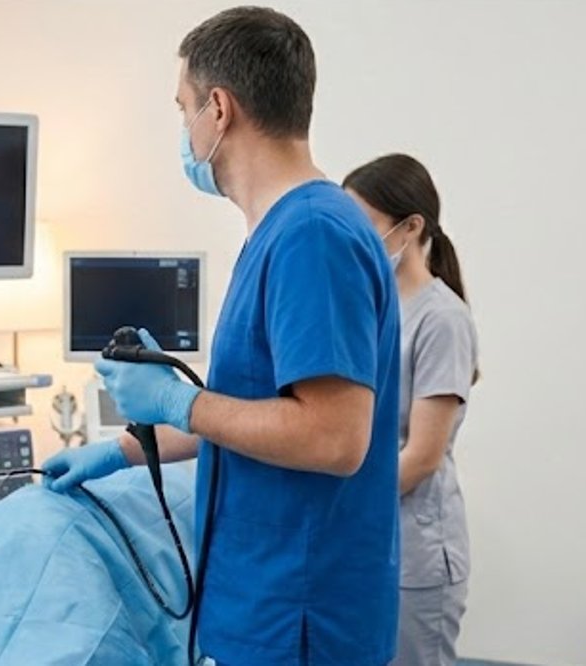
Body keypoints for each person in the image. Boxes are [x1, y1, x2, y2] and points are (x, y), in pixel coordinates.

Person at [42, 7, 404, 666]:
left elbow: (334, 437)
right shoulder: (280, 231)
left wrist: (178, 401)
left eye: (183, 109)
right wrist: (126, 446)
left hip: (301, 616)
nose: (183, 129)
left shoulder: (312, 236)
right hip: (263, 605)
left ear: (219, 108)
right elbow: (255, 413)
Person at [344, 154, 480, 666]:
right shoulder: (374, 307)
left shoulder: (442, 319)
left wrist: (342, 501)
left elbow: (422, 456)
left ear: (411, 227)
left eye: (365, 226)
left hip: (418, 553)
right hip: (373, 539)